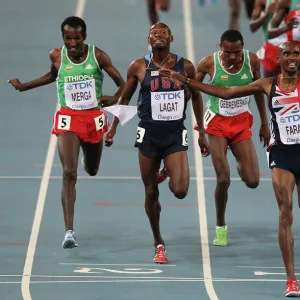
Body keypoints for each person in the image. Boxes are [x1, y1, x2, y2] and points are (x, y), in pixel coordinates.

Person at [160, 40, 300, 297]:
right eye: (287, 53)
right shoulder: (268, 84)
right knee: (285, 212)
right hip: (282, 155)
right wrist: (188, 81)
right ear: (278, 58)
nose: (292, 57)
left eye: (296, 53)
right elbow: (226, 93)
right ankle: (291, 279)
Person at [8, 16, 125, 249]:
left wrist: (114, 97)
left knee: (91, 170)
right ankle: (69, 232)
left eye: (77, 38)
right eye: (68, 38)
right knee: (68, 172)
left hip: (92, 119)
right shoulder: (57, 56)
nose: (72, 43)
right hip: (68, 118)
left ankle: (87, 160)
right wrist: (24, 86)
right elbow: (53, 75)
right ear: (62, 37)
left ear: (85, 37)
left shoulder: (97, 56)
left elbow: (122, 82)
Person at [105, 22, 209, 263]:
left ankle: (168, 171)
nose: (159, 36)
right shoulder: (139, 66)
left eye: (163, 33)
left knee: (181, 191)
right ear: (148, 39)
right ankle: (158, 242)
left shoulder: (187, 67)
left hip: (174, 133)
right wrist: (112, 129)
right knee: (151, 191)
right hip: (149, 133)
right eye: (154, 34)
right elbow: (125, 97)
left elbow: (196, 97)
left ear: (171, 37)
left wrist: (201, 132)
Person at [161, 29, 270, 247]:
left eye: (237, 52)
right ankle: (221, 227)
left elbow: (259, 91)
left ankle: (240, 159)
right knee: (223, 179)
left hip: (240, 123)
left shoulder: (252, 61)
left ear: (243, 48)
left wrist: (264, 123)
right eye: (228, 52)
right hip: (217, 124)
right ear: (220, 48)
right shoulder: (208, 64)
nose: (232, 56)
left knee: (253, 181)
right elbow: (192, 90)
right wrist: (197, 129)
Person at [250, 0, 286, 77]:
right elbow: (252, 27)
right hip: (271, 48)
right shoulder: (263, 1)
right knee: (270, 85)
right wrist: (267, 14)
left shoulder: (295, 2)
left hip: (292, 47)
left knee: (293, 85)